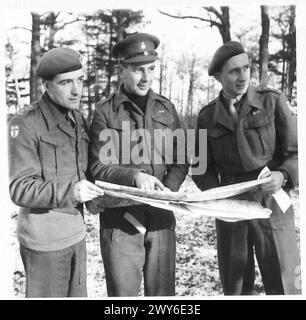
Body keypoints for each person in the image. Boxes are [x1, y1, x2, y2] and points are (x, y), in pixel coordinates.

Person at [192, 41, 300, 295]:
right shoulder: (206, 117)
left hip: (271, 198)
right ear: (218, 76)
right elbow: (199, 169)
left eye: (246, 68)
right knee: (235, 283)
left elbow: (296, 153)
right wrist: (218, 197)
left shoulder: (272, 102)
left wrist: (283, 175)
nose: (243, 77)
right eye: (234, 71)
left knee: (283, 279)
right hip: (231, 204)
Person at [89, 33, 188, 296]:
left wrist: (168, 189)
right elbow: (97, 168)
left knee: (162, 297)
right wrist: (134, 177)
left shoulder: (166, 109)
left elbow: (181, 159)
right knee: (124, 298)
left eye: (151, 69)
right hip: (120, 220)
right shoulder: (105, 112)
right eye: (138, 70)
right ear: (122, 70)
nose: (146, 77)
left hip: (160, 217)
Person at [8, 47, 104, 297]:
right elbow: (20, 188)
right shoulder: (25, 122)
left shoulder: (77, 118)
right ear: (47, 85)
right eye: (66, 82)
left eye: (80, 80)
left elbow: (83, 167)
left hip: (76, 233)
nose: (77, 90)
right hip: (44, 242)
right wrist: (71, 191)